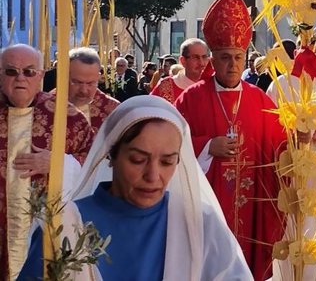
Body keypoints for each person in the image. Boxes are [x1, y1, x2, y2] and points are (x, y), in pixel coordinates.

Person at [19, 95, 252, 280]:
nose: (153, 176)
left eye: (167, 162)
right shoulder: (64, 225)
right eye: (138, 160)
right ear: (111, 155)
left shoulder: (200, 223)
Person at [175, 0, 286, 280]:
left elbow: (280, 147)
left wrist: (301, 143)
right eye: (225, 57)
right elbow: (171, 143)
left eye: (238, 57)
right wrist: (208, 146)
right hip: (207, 206)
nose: (233, 65)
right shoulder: (191, 99)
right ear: (213, 58)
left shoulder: (261, 101)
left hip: (252, 210)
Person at [0, 44, 94, 279]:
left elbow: (97, 162)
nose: (20, 78)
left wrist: (60, 163)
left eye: (29, 71)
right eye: (11, 71)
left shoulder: (68, 117)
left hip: (46, 231)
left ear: (41, 75)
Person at [267, 38, 316, 280]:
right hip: (289, 165)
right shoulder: (279, 85)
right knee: (290, 221)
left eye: (314, 49)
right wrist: (290, 134)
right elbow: (269, 122)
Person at [63, 47, 120, 134]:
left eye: (90, 83)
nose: (84, 90)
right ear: (64, 76)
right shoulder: (46, 107)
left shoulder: (112, 110)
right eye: (77, 82)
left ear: (98, 77)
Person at [151, 38, 210, 104]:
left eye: (204, 57)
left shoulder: (215, 86)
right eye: (195, 57)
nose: (202, 63)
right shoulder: (165, 86)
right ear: (183, 61)